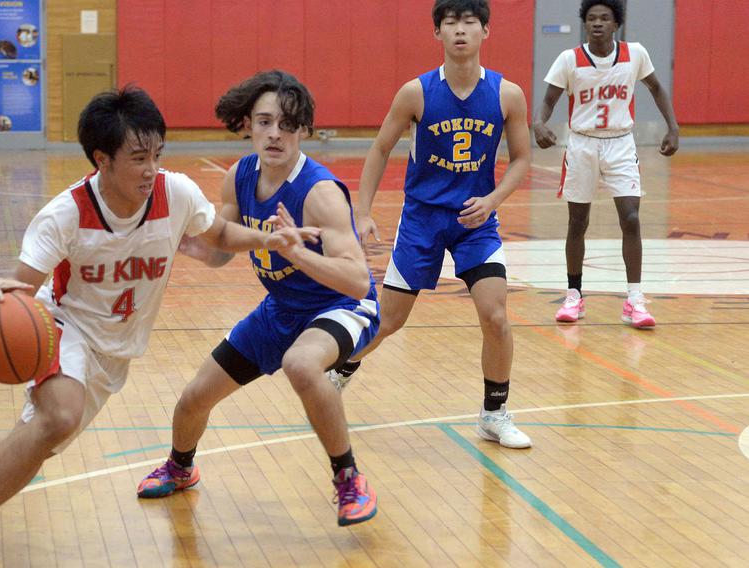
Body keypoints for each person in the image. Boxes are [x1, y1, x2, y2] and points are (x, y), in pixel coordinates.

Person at [0, 86, 318, 568]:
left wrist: (271, 240)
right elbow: (22, 287)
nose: (151, 169)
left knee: (43, 441)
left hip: (117, 347)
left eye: (157, 155)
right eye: (138, 158)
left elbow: (220, 234)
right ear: (102, 159)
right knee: (57, 418)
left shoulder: (175, 193)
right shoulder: (66, 213)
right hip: (65, 327)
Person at [137, 70, 381, 527]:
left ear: (304, 130)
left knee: (301, 365)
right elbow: (220, 254)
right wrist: (185, 245)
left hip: (340, 307)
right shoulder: (240, 176)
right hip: (280, 311)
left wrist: (297, 254)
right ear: (248, 123)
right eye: (265, 121)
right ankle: (180, 467)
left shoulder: (320, 192)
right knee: (193, 399)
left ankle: (349, 479)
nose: (275, 133)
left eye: (287, 124)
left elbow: (357, 282)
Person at [327, 0, 532, 449]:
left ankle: (494, 413)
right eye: (451, 23)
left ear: (485, 32)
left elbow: (521, 159)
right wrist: (362, 212)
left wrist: (494, 199)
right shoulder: (416, 93)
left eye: (469, 22)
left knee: (496, 316)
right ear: (437, 33)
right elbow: (381, 148)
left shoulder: (506, 94)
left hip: (475, 222)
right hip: (422, 219)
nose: (460, 30)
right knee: (388, 321)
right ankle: (336, 374)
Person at [533, 0, 679, 328]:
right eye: (591, 18)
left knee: (631, 218)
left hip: (620, 143)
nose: (597, 23)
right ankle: (574, 295)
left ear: (616, 24)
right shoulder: (569, 59)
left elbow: (656, 88)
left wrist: (673, 126)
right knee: (577, 222)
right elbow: (548, 101)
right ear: (585, 24)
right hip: (582, 144)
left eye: (605, 18)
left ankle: (635, 299)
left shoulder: (635, 54)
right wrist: (539, 123)